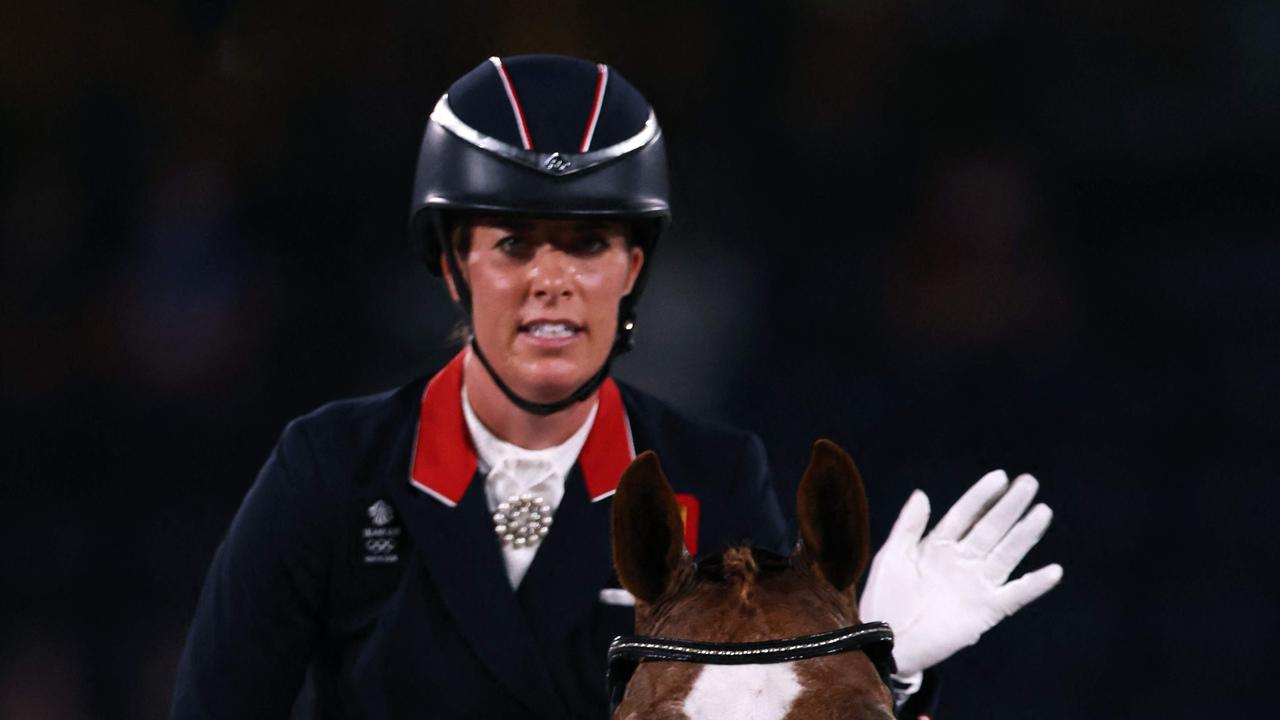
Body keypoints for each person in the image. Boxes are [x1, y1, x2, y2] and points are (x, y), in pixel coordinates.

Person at [170, 54, 1061, 719]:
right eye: (514, 244)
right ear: (451, 265)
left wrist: (884, 669)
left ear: (633, 267)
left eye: (590, 244)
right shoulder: (332, 469)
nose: (552, 280)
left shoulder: (714, 473)